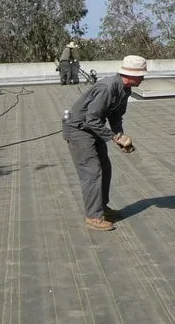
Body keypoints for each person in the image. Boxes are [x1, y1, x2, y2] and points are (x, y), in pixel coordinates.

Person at [61, 55, 146, 231]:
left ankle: (102, 207)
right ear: (132, 74)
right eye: (141, 75)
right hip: (79, 130)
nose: (143, 78)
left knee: (105, 168)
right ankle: (93, 216)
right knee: (92, 171)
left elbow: (115, 116)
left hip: (92, 128)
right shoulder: (107, 88)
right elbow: (92, 119)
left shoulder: (125, 89)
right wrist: (114, 138)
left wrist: (120, 135)